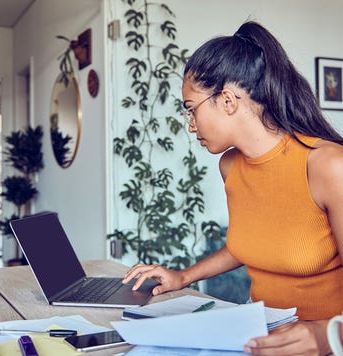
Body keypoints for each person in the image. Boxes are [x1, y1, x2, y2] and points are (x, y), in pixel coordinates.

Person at [122, 21, 343, 355]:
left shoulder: (327, 165)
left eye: (191, 108)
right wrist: (183, 277)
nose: (190, 124)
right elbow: (247, 244)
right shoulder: (230, 166)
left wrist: (329, 335)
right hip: (256, 336)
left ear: (226, 100)